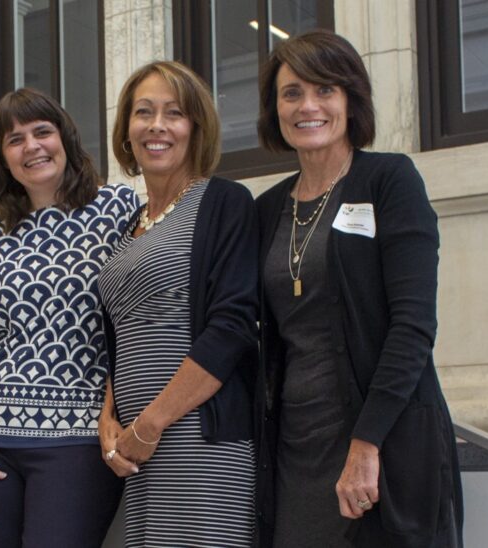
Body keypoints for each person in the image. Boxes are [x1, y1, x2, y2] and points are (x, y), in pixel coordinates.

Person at [254, 30, 463, 548]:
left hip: (381, 447)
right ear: (275, 108)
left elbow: (413, 326)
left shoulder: (389, 181)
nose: (308, 106)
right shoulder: (265, 209)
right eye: (292, 92)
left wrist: (366, 444)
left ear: (350, 100)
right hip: (294, 452)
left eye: (325, 90)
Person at [0, 88, 138, 548]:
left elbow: (130, 326)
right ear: (2, 158)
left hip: (78, 440)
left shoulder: (118, 209)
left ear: (65, 138)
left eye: (42, 132)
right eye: (15, 139)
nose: (31, 146)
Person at [97, 60, 260, 547]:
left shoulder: (224, 202)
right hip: (137, 449)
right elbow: (122, 337)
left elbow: (232, 327)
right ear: (127, 130)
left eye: (174, 113)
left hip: (199, 441)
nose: (157, 126)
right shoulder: (129, 227)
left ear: (196, 127)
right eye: (143, 112)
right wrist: (109, 419)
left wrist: (151, 422)